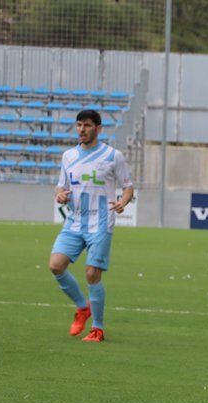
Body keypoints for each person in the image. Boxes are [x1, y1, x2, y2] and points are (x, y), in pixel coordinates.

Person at [48, 109, 134, 342]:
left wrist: (123, 202)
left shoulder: (113, 155)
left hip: (101, 221)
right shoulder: (68, 156)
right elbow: (60, 186)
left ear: (98, 128)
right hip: (74, 221)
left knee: (92, 274)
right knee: (56, 265)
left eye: (86, 125)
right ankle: (82, 307)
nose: (82, 130)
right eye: (78, 125)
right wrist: (60, 195)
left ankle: (97, 328)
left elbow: (128, 186)